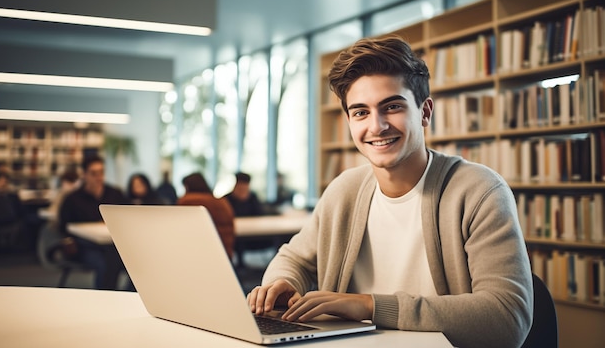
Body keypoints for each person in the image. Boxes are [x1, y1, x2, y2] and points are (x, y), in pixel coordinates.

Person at [247, 35, 533, 348]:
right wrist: (282, 283)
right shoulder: (345, 190)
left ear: (424, 112)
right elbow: (294, 259)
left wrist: (369, 306)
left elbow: (507, 318)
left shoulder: (479, 191)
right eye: (360, 112)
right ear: (349, 121)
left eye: (392, 107)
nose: (377, 126)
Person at [58, 155, 132, 290]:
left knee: (137, 262)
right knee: (106, 263)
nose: (99, 177)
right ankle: (107, 299)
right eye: (94, 173)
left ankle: (125, 296)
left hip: (113, 244)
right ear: (85, 175)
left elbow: (128, 217)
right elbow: (64, 226)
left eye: (101, 172)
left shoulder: (115, 194)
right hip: (85, 246)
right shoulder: (73, 199)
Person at [176, 172, 235, 260]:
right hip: (225, 249)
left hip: (199, 250)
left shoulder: (187, 200)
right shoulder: (221, 201)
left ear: (187, 186)